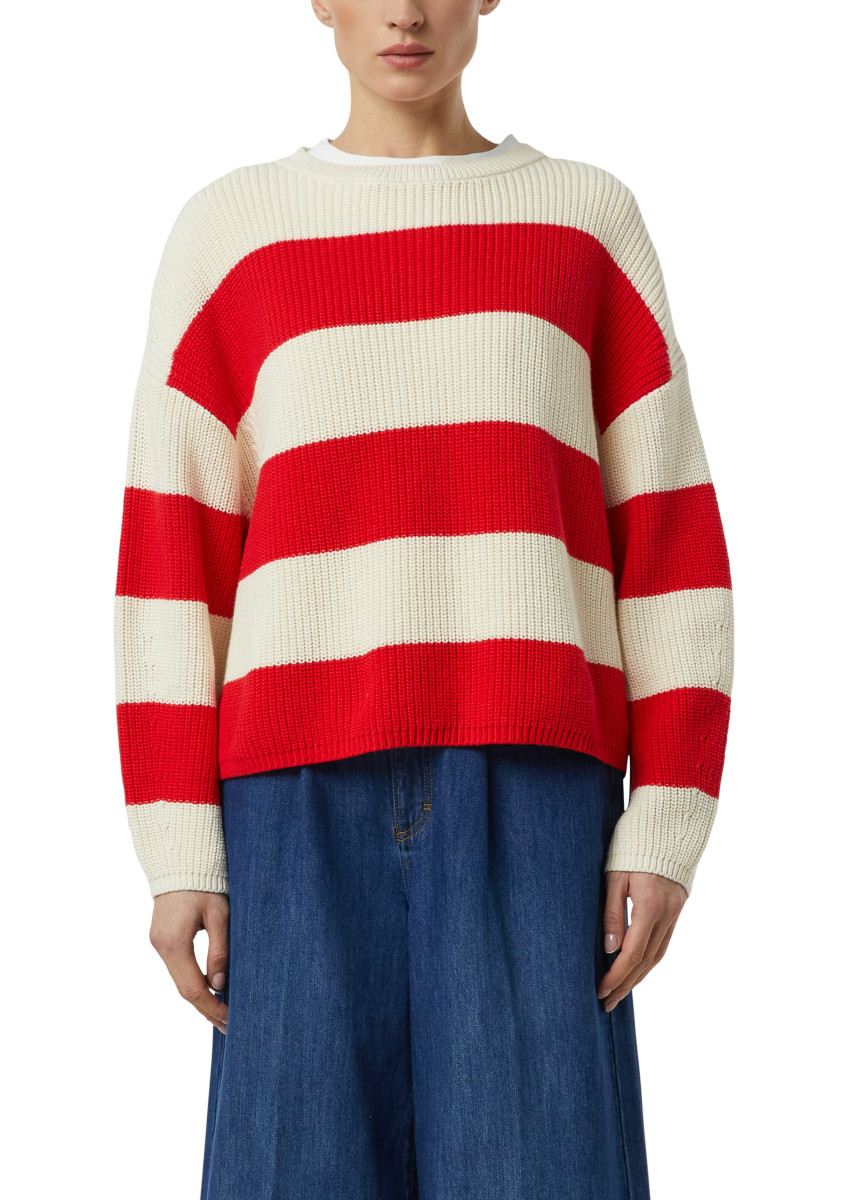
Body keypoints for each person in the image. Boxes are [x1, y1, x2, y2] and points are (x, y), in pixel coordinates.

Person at [113, 1, 734, 1196]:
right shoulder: (231, 232)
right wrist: (177, 842)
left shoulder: (584, 221)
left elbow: (668, 536)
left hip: (538, 795)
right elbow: (170, 551)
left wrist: (667, 818)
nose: (405, 11)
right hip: (289, 803)